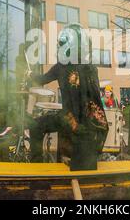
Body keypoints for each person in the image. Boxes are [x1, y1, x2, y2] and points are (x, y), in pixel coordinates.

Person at [27, 23, 109, 170]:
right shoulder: (91, 68)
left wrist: (29, 75)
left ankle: (37, 168)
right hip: (91, 125)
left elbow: (41, 80)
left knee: (36, 126)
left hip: (69, 120)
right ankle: (67, 157)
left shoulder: (61, 66)